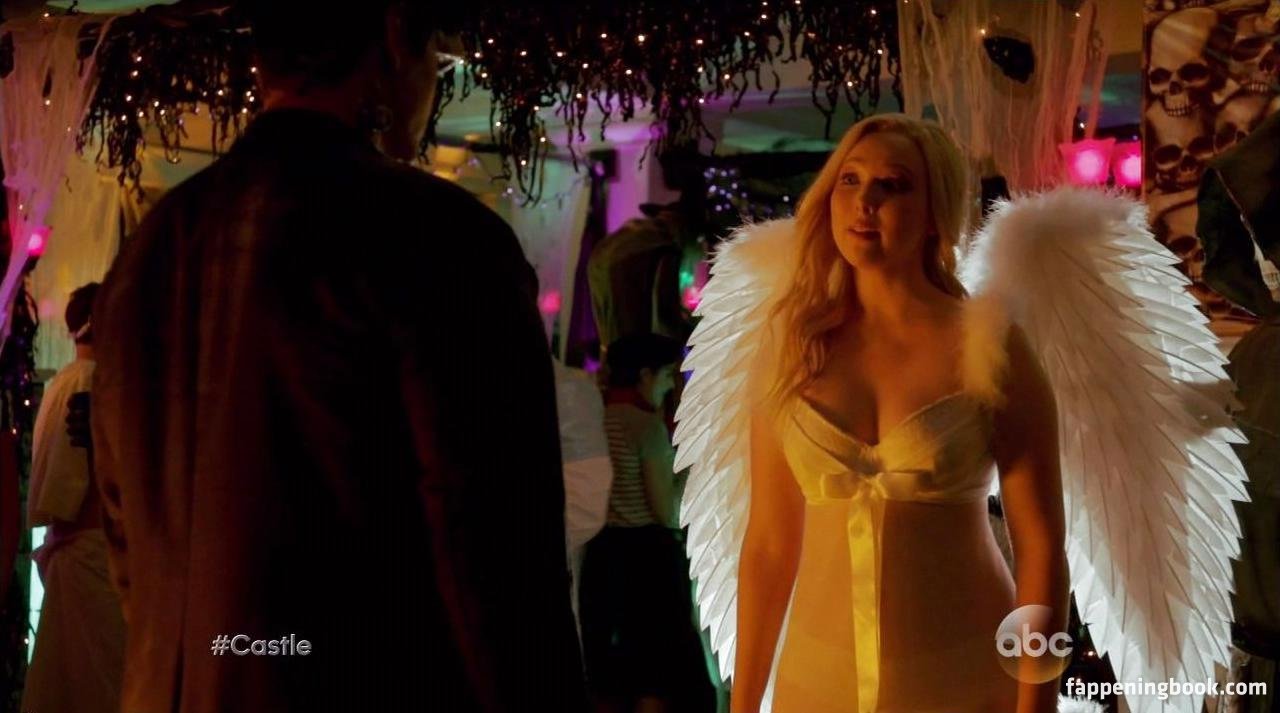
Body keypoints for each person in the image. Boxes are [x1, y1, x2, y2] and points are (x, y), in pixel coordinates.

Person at [89, 3, 586, 711]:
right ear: (394, 35)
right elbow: (494, 546)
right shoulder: (435, 237)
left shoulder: (149, 251)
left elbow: (127, 542)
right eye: (438, 58)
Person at [684, 115, 1070, 713]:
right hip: (816, 686)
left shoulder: (990, 344)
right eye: (850, 180)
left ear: (935, 213)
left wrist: (1036, 705)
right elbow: (768, 546)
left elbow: (1041, 546)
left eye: (894, 185)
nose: (866, 201)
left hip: (967, 681)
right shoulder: (790, 346)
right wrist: (744, 703)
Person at [579, 334, 713, 713]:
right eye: (667, 375)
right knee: (656, 672)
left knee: (615, 672)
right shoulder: (645, 427)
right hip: (647, 560)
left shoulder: (596, 420)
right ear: (645, 375)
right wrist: (690, 469)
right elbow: (665, 511)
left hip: (604, 553)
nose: (671, 385)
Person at [21, 282, 125, 713]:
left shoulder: (61, 382)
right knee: (99, 685)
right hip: (91, 553)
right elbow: (75, 486)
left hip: (73, 554)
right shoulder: (91, 383)